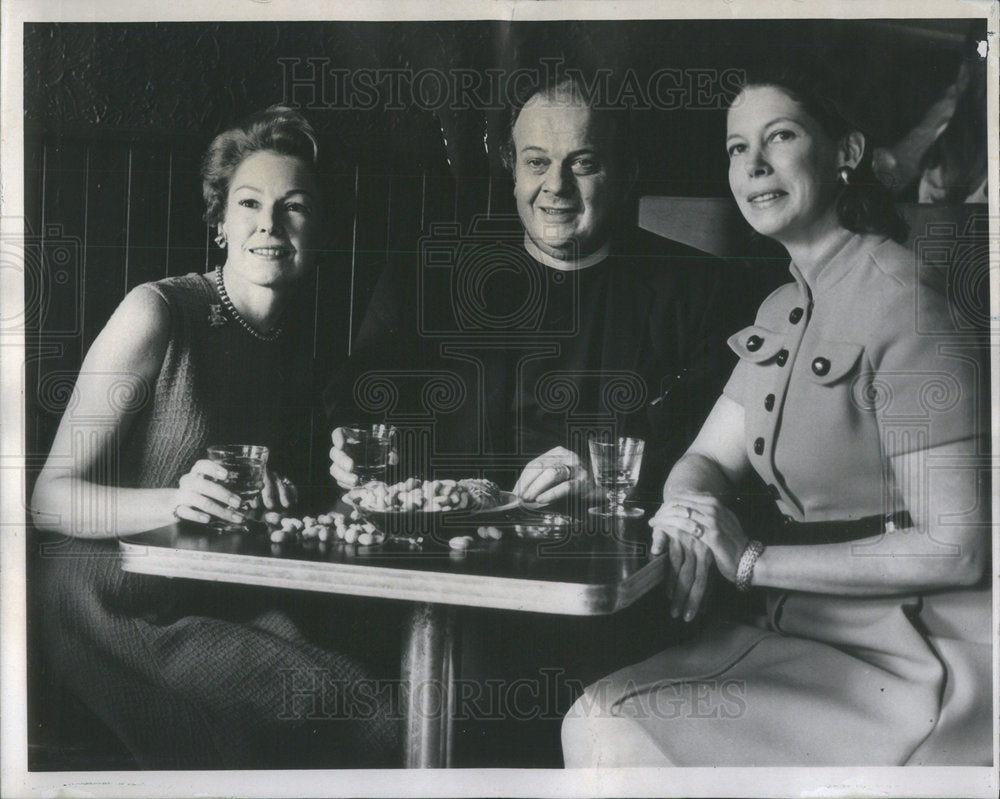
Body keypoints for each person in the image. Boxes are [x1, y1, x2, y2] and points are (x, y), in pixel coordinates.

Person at [561, 69, 992, 766]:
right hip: (792, 628)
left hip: (911, 655)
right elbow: (703, 459)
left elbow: (959, 545)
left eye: (779, 137)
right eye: (736, 148)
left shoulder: (905, 301)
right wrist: (688, 509)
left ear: (845, 152)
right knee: (598, 708)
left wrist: (754, 559)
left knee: (610, 724)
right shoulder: (781, 311)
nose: (753, 164)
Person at [30, 106, 399, 769]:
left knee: (372, 694)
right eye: (250, 203)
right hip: (101, 604)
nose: (269, 223)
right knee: (352, 713)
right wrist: (176, 501)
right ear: (220, 223)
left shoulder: (289, 349)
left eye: (294, 207)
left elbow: (240, 494)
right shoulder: (157, 313)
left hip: (199, 594)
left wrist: (292, 491)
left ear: (320, 229)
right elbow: (47, 500)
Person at [326, 74, 748, 507]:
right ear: (512, 169)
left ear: (626, 173)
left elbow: (712, 454)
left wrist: (604, 478)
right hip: (446, 541)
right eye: (536, 162)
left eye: (583, 163)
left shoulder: (700, 292)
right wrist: (348, 443)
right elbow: (357, 398)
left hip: (603, 546)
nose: (556, 185)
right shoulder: (423, 277)